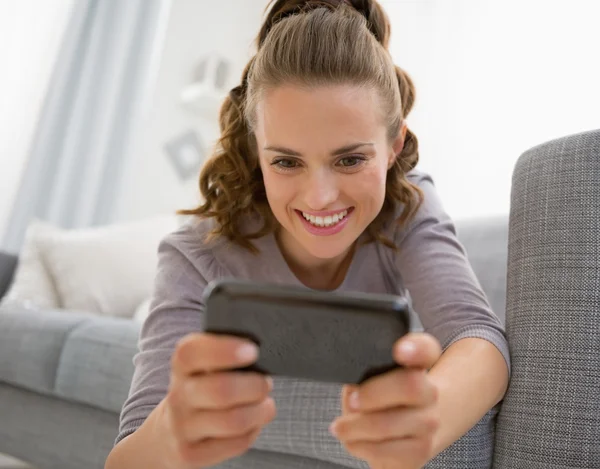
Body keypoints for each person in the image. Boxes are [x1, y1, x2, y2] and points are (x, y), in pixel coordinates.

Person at [105, 1, 510, 468]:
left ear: (394, 146)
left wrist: (425, 418)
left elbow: (479, 338)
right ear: (257, 152)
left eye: (350, 159)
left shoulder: (407, 206)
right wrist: (172, 430)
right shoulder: (196, 251)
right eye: (286, 161)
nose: (319, 198)